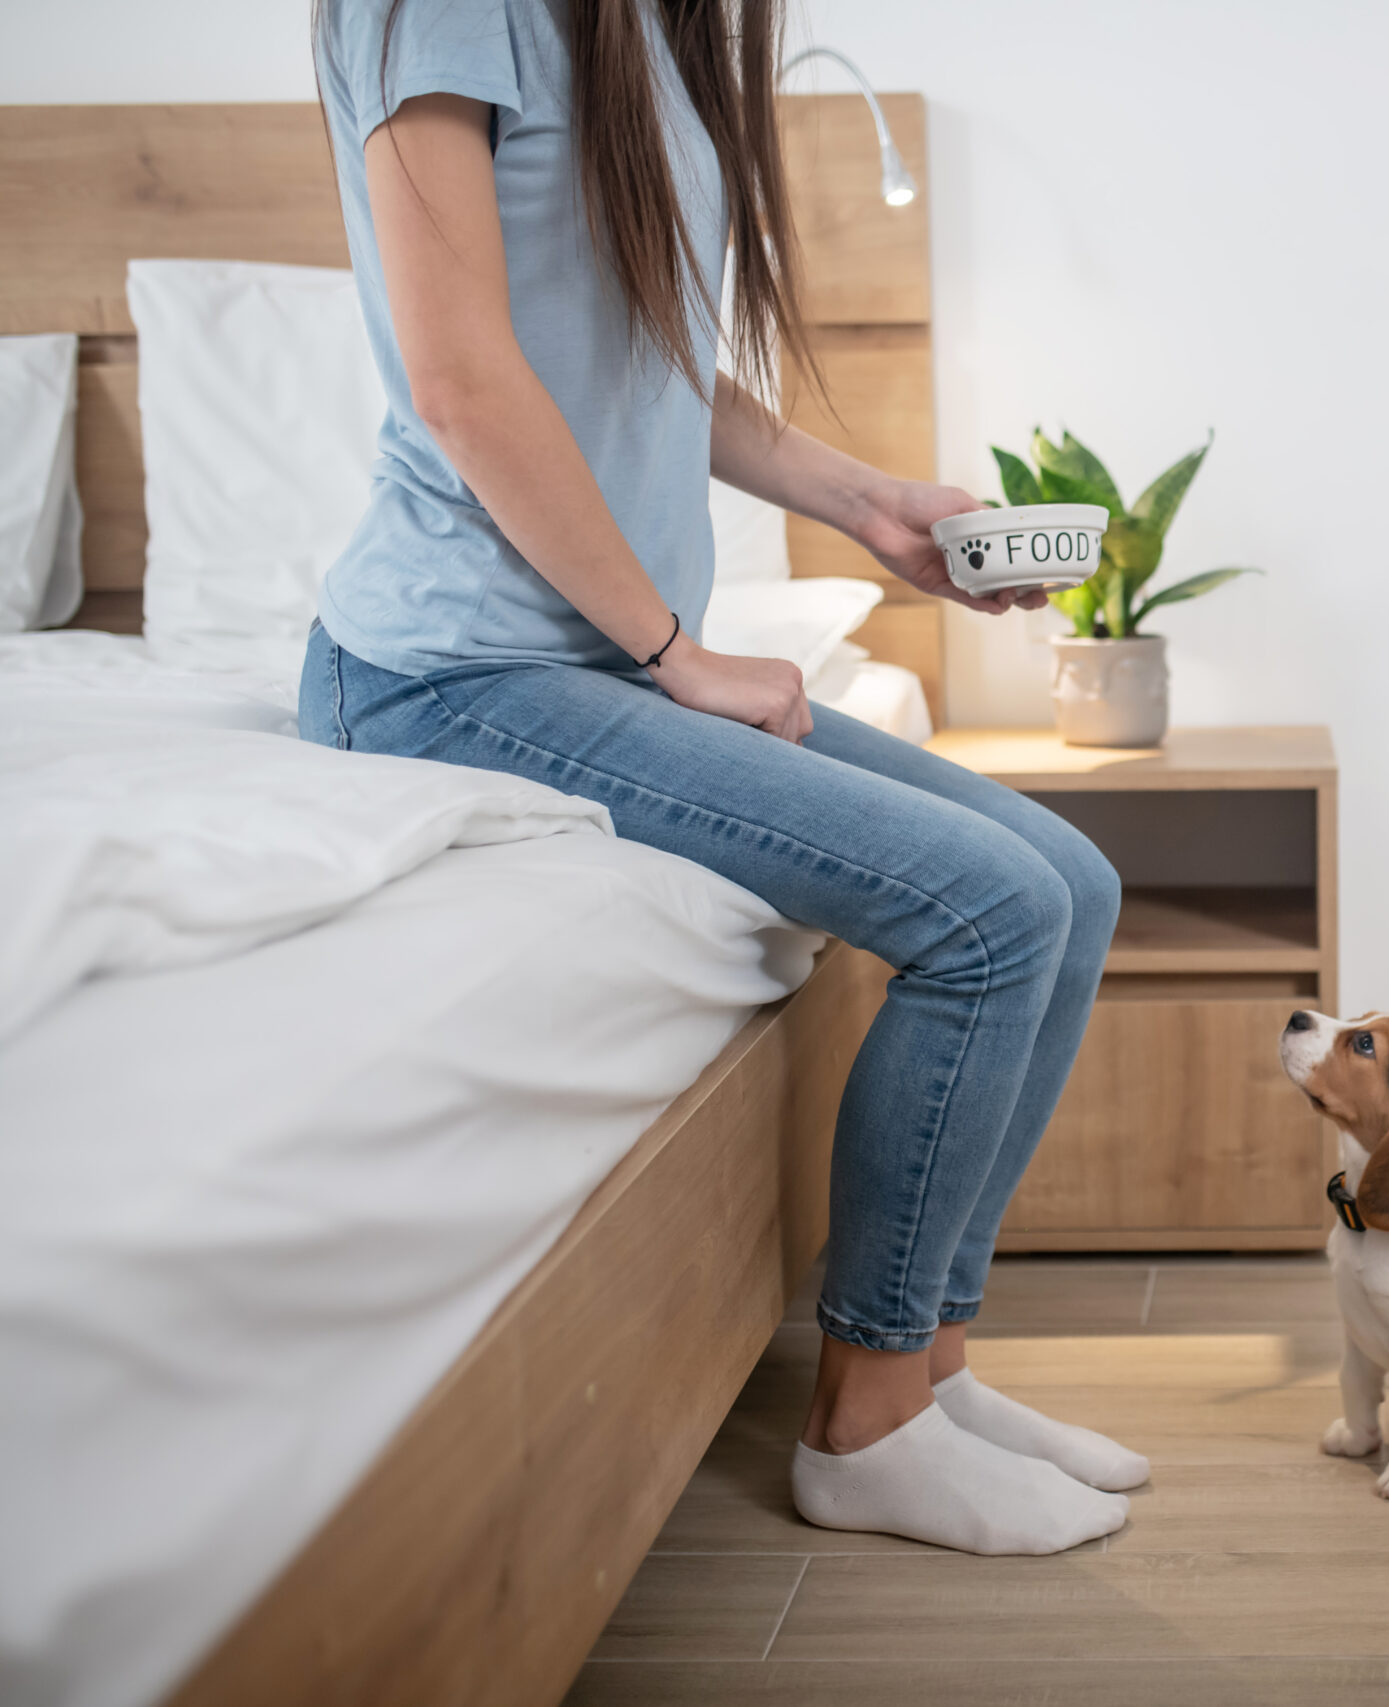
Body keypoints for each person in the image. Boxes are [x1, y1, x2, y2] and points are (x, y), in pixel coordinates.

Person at [305, 0, 1140, 1555]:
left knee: (1070, 886)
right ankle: (867, 1427)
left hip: (595, 658)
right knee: (986, 915)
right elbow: (465, 380)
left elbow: (652, 366)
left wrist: (872, 503)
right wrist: (677, 651)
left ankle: (932, 1371)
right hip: (452, 672)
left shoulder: (631, 31)